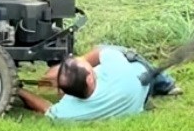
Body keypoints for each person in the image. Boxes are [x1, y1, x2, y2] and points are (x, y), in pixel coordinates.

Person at [16, 45, 180, 122]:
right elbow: (102, 51)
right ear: (89, 78)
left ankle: (165, 84)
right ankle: (167, 84)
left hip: (138, 92)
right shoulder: (117, 71)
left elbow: (45, 108)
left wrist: (18, 90)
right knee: (124, 52)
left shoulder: (67, 113)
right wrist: (80, 60)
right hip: (142, 78)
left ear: (62, 93)